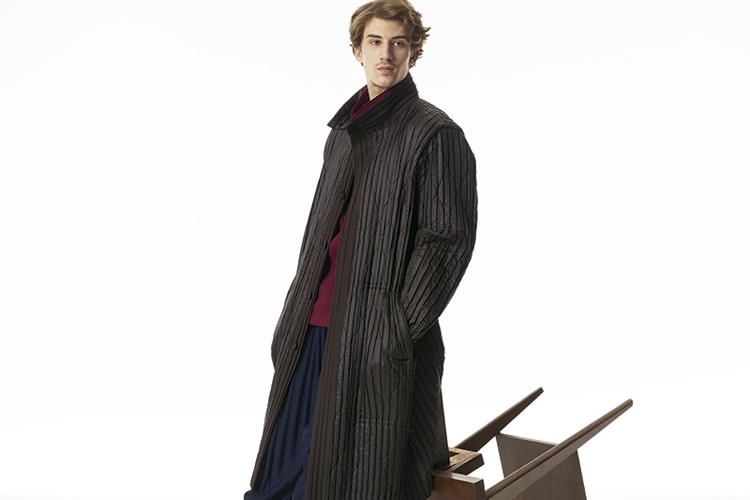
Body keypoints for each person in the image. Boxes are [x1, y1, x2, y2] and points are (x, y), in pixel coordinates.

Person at [245, 1, 477, 498]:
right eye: (375, 42)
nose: (386, 54)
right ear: (357, 50)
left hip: (372, 337)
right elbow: (318, 234)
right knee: (283, 475)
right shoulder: (342, 132)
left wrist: (392, 327)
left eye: (398, 43)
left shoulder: (435, 135)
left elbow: (446, 242)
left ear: (414, 52)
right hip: (311, 327)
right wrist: (292, 314)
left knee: (347, 477)